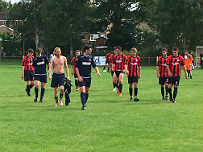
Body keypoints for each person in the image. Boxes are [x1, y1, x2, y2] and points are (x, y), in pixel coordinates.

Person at [75, 45, 101, 110]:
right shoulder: (80, 57)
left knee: (86, 91)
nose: (91, 51)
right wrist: (78, 76)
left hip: (88, 77)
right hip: (82, 77)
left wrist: (97, 72)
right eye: (90, 49)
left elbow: (94, 65)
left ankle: (84, 103)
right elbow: (76, 68)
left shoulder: (90, 57)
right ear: (86, 50)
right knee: (82, 90)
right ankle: (83, 105)